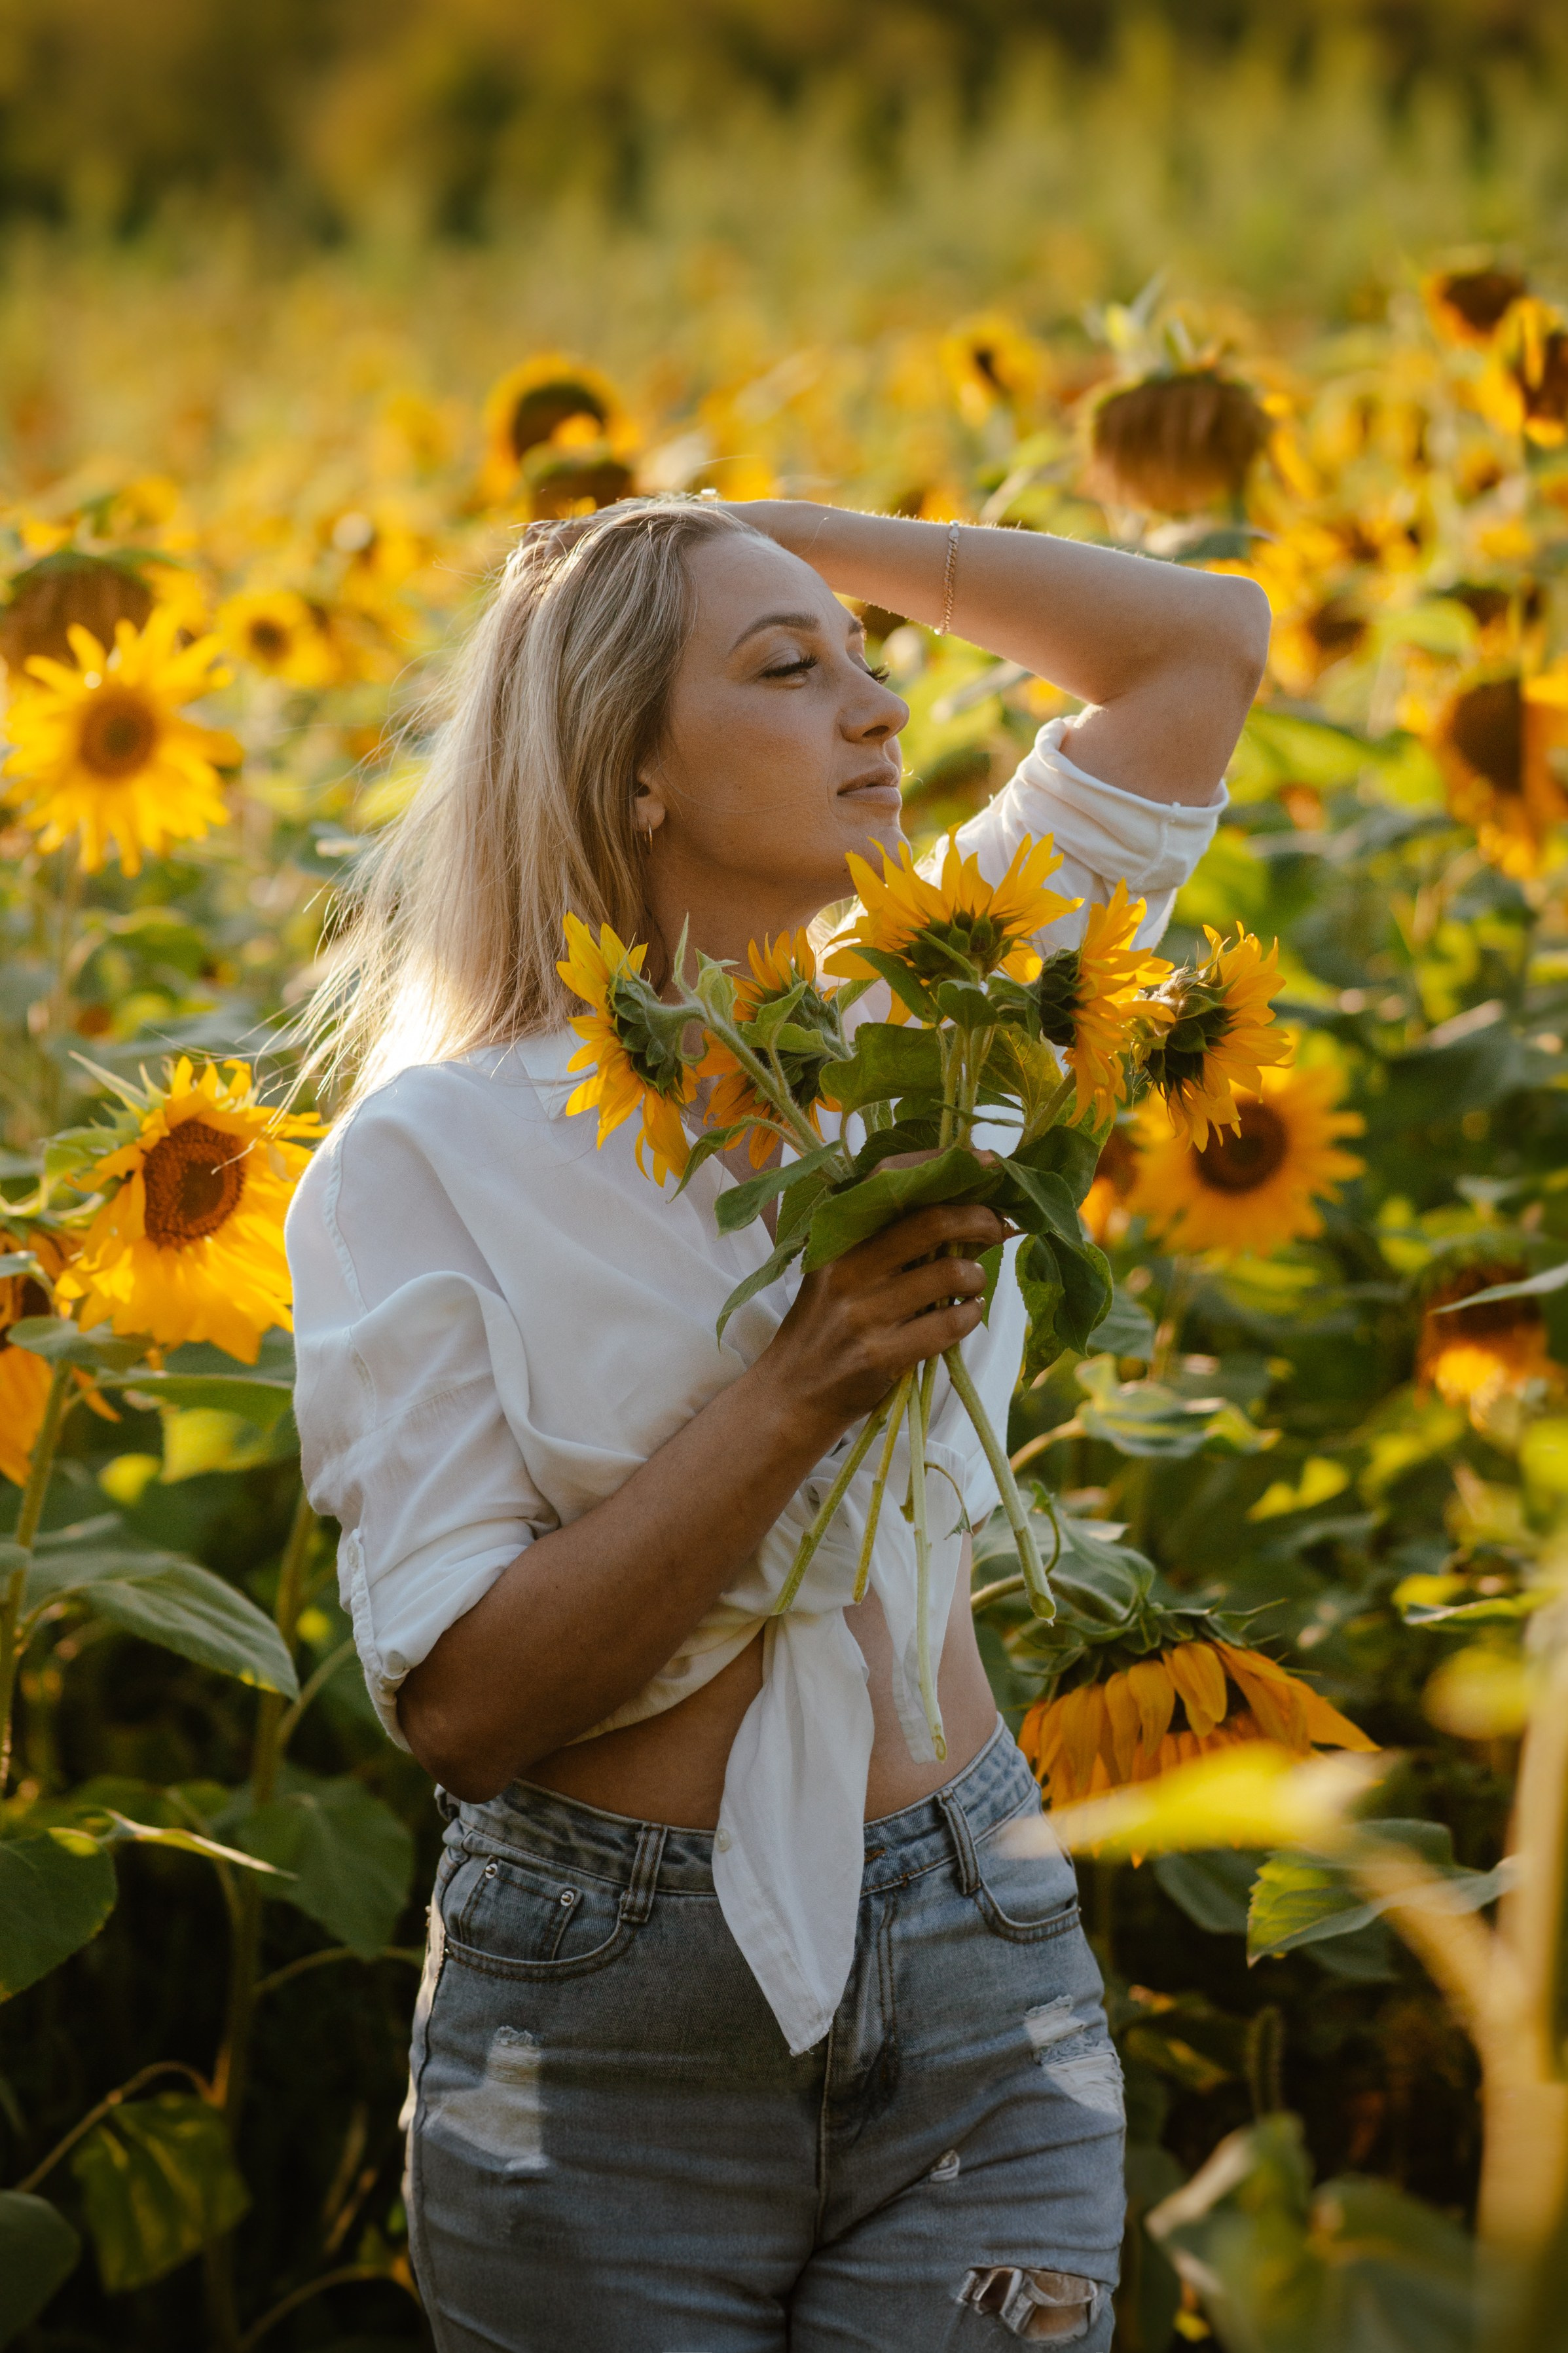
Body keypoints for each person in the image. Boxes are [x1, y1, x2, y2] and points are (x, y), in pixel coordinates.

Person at [285, 494, 1266, 2349]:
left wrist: (756, 526)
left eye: (867, 656)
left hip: (982, 1963)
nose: (876, 707)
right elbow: (470, 1705)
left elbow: (1197, 644)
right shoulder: (428, 1158)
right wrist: (801, 1385)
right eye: (786, 669)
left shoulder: (958, 1004)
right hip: (601, 2035)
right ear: (629, 769)